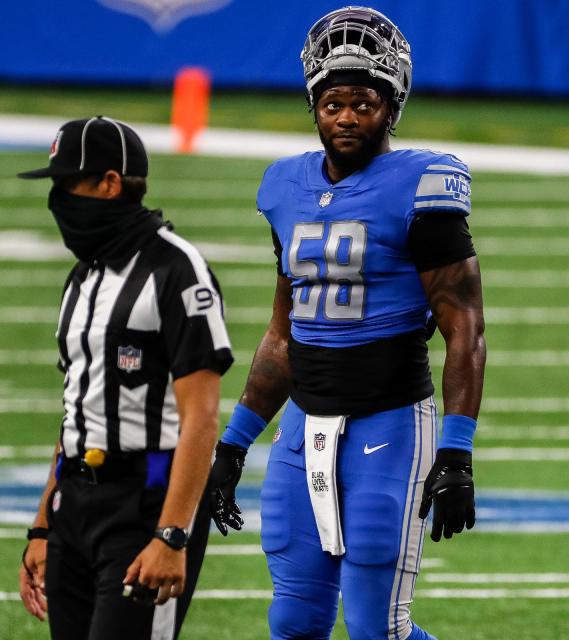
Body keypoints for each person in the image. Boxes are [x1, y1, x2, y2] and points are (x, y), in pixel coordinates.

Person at [208, 7, 486, 640]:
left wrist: (458, 453)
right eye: (333, 103)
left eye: (364, 103)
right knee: (294, 621)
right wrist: (234, 441)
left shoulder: (423, 183)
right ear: (314, 106)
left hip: (388, 420)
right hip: (305, 424)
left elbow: (464, 325)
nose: (347, 118)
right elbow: (283, 332)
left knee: (376, 629)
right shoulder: (284, 186)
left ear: (392, 106)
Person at [17, 116, 233, 640]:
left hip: (148, 495)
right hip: (75, 500)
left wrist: (173, 534)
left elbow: (201, 419)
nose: (58, 200)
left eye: (67, 185)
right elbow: (76, 410)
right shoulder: (82, 276)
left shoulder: (177, 269)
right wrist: (44, 523)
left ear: (110, 184)